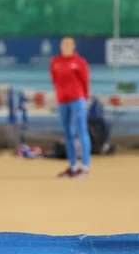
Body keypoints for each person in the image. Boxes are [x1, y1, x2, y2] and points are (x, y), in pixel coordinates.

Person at [49, 36, 91, 178]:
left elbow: (85, 81)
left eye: (69, 44)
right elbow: (55, 80)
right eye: (63, 43)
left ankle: (84, 167)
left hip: (77, 100)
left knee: (81, 131)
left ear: (73, 46)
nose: (66, 46)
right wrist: (61, 96)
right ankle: (72, 166)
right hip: (62, 101)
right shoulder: (55, 62)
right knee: (67, 133)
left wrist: (84, 99)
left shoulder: (79, 62)